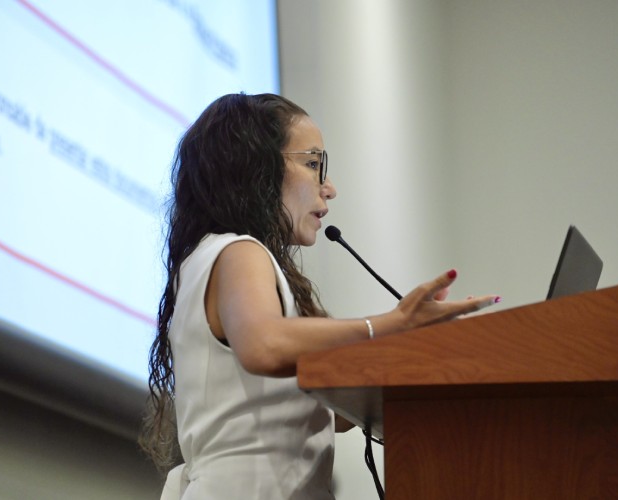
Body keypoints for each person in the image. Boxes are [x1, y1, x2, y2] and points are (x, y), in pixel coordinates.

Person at [141, 93, 499, 499]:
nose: (329, 188)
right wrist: (390, 324)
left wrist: (413, 353)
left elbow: (325, 411)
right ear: (256, 166)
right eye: (313, 164)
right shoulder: (238, 251)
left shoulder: (232, 258)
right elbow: (263, 346)